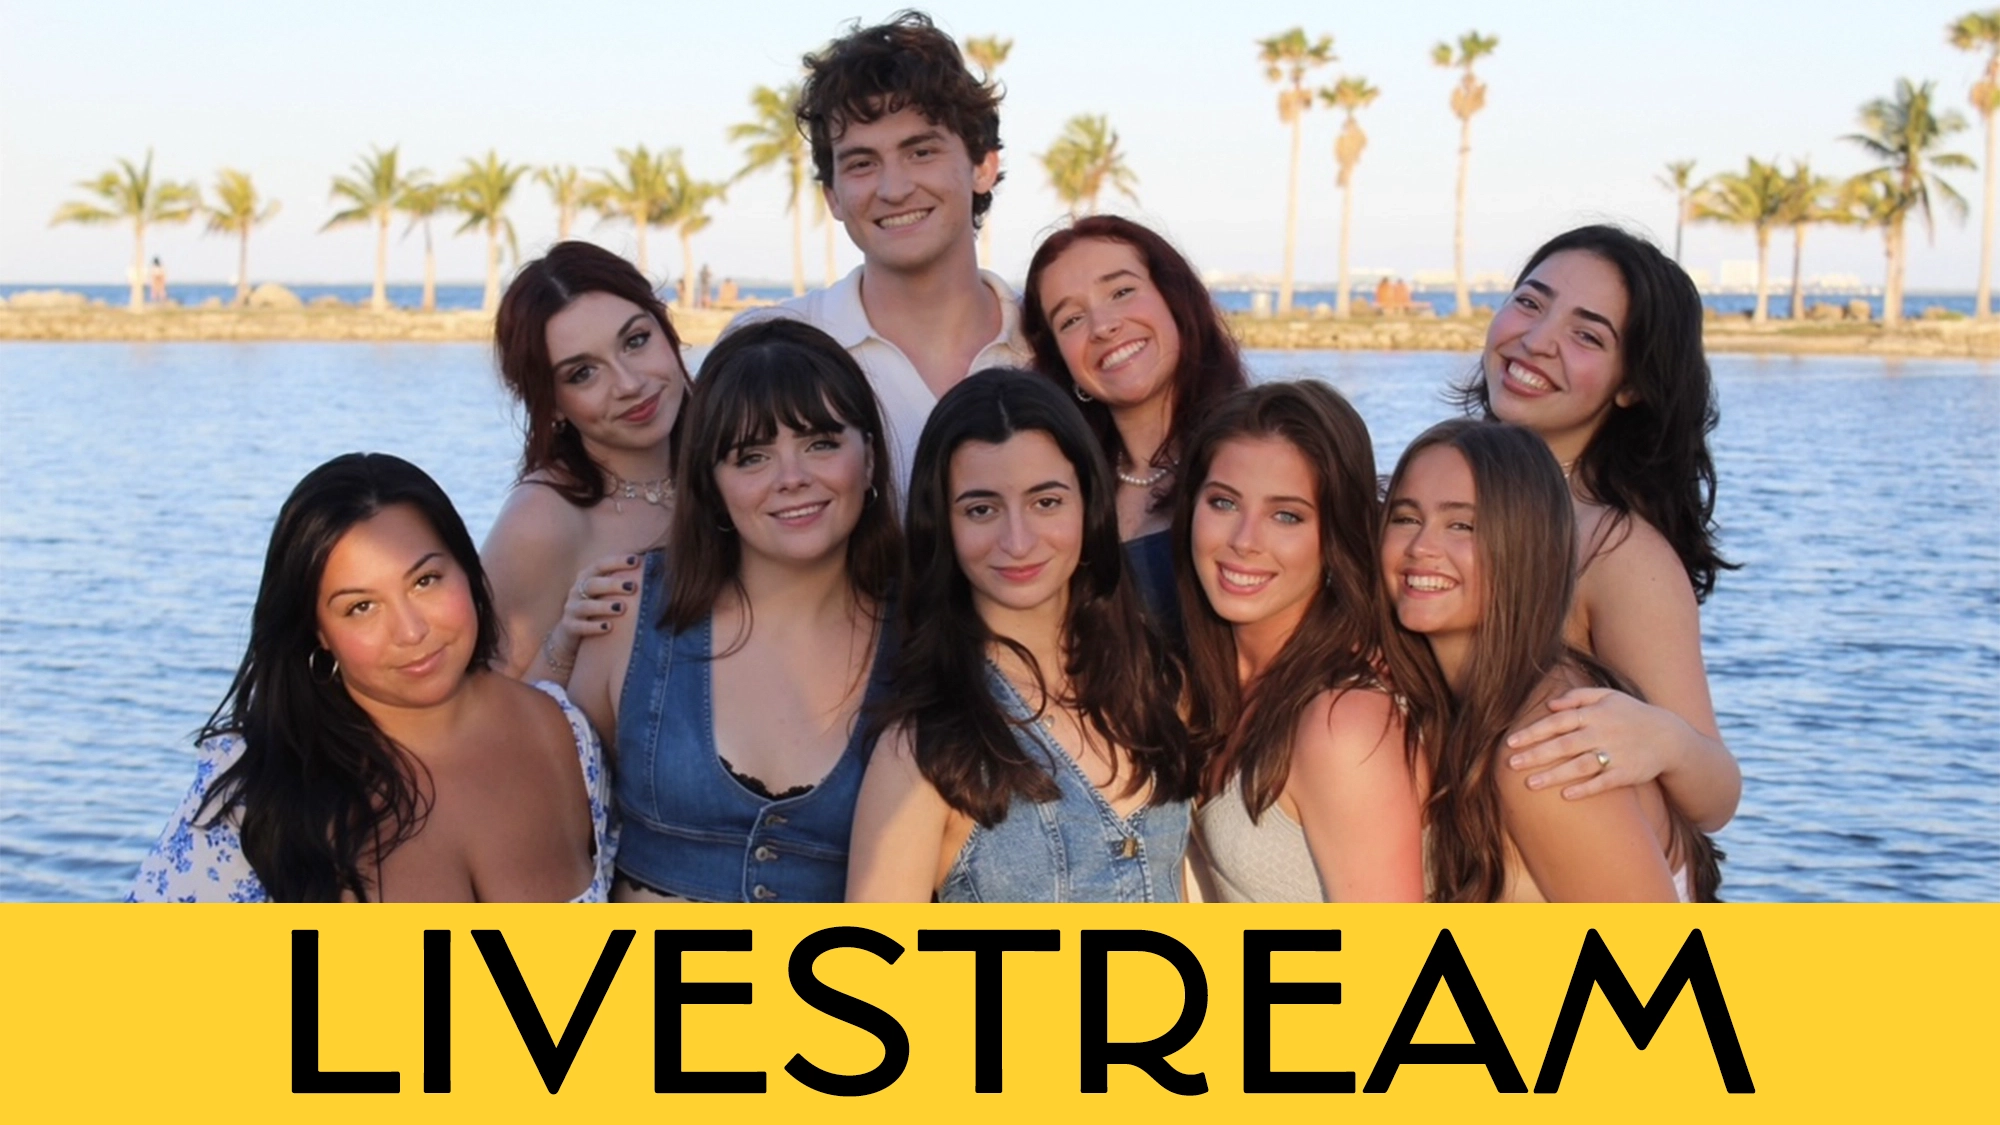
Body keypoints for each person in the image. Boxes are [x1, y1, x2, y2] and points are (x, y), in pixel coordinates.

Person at [130, 454, 614, 902]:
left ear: (467, 569)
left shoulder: (565, 734)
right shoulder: (256, 789)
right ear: (318, 632)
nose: (411, 631)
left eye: (425, 581)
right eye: (361, 607)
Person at [567, 319, 901, 902]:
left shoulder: (926, 638)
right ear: (711, 482)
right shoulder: (630, 612)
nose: (792, 478)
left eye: (821, 443)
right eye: (751, 457)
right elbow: (548, 812)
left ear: (868, 459)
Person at [847, 369, 1196, 902]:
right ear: (942, 525)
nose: (1018, 539)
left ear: (1089, 504)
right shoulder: (920, 753)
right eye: (981, 509)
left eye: (1046, 501)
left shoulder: (1162, 687)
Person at [1456, 225, 1741, 832]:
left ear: (1633, 384)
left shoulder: (1615, 552)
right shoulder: (1433, 495)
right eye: (1530, 302)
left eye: (1586, 335)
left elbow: (1717, 795)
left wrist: (1661, 739)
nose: (1536, 340)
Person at [1380, 420, 1720, 901]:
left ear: (1527, 546)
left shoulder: (1546, 752)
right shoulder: (1479, 704)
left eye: (1463, 525)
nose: (1421, 548)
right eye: (1406, 518)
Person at [726, 10, 1032, 492]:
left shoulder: (1054, 343)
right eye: (862, 163)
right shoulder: (769, 348)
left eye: (921, 152)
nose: (893, 188)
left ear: (982, 167)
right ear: (833, 196)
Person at [1175, 382, 1426, 903]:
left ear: (1335, 536)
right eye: (1223, 502)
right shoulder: (1203, 686)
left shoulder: (1346, 722)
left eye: (1286, 515)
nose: (1244, 540)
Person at [1020, 215, 1250, 633]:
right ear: (1060, 360)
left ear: (1175, 298)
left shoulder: (1262, 456)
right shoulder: (1060, 494)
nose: (1103, 326)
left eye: (1122, 292)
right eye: (1070, 319)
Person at [483, 241, 689, 685]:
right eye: (583, 373)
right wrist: (565, 638)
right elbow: (495, 713)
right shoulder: (540, 522)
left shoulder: (736, 461)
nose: (630, 384)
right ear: (550, 404)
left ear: (666, 328)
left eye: (636, 341)